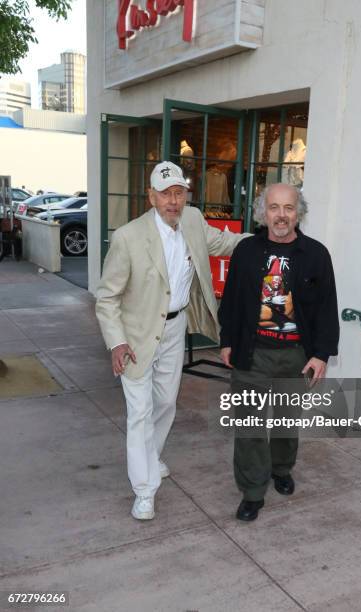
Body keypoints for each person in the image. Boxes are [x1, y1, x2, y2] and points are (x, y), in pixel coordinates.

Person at [96, 161, 248, 521]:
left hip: (176, 328)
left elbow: (225, 242)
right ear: (152, 196)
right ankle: (145, 489)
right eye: (165, 194)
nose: (173, 201)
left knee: (165, 404)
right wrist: (116, 342)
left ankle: (152, 456)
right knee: (140, 412)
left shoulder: (193, 220)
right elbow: (107, 298)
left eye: (179, 193)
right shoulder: (128, 237)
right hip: (135, 336)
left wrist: (269, 238)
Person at [218, 183, 339, 521]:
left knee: (286, 422)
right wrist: (227, 339)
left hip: (296, 355)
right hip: (252, 353)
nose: (281, 215)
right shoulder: (246, 251)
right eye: (274, 207)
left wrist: (321, 354)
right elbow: (231, 301)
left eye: (288, 207)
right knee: (250, 426)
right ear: (263, 212)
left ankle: (282, 469)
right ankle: (253, 491)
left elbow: (327, 307)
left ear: (298, 212)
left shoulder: (316, 254)